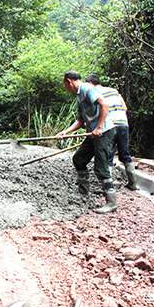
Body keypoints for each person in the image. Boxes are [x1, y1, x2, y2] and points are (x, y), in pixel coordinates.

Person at [56, 71, 117, 214]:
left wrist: (99, 127)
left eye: (65, 85)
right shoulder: (79, 97)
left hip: (104, 131)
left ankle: (111, 202)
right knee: (79, 158)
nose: (66, 88)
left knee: (101, 166)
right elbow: (80, 121)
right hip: (93, 134)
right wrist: (66, 132)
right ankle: (83, 192)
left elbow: (104, 105)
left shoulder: (87, 89)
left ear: (69, 81)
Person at [85, 74, 139, 190]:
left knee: (108, 155)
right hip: (123, 123)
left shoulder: (93, 93)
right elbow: (125, 108)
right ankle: (133, 184)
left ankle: (108, 186)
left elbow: (96, 113)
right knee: (125, 154)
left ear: (89, 84)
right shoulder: (114, 91)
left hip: (109, 126)